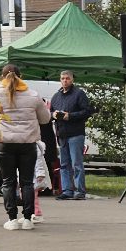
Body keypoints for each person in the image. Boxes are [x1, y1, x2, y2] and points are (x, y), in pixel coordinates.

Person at [0, 64, 52, 229]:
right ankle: (27, 219)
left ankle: (12, 219)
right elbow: (45, 119)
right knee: (27, 182)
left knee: (8, 181)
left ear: (2, 76)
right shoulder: (33, 95)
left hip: (4, 143)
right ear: (21, 76)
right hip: (27, 143)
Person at [48, 70, 95, 199]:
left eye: (67, 78)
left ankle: (80, 191)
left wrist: (70, 116)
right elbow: (50, 112)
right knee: (64, 164)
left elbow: (87, 111)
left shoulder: (79, 94)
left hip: (75, 133)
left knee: (76, 164)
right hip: (62, 133)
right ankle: (67, 190)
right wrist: (53, 115)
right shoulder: (56, 96)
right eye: (62, 78)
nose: (64, 80)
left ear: (72, 79)